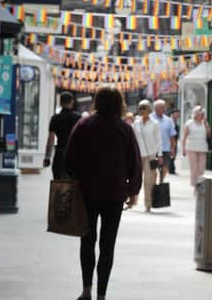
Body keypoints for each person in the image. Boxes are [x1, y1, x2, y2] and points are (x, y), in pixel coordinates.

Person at [64, 85, 141, 300]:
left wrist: (77, 175)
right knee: (108, 245)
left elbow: (69, 160)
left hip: (86, 192)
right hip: (114, 194)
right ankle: (101, 295)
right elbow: (134, 162)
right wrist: (133, 191)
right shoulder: (125, 129)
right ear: (119, 103)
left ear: (97, 101)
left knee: (87, 241)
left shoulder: (84, 124)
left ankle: (86, 289)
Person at [132, 100, 161, 212]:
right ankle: (133, 201)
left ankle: (148, 204)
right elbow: (133, 139)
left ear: (149, 110)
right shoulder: (136, 123)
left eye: (144, 108)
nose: (142, 111)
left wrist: (160, 154)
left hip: (150, 155)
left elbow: (158, 139)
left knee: (148, 181)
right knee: (136, 178)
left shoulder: (154, 123)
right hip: (138, 154)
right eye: (140, 108)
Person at [44, 92, 81, 179]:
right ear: (72, 102)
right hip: (74, 156)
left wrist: (47, 157)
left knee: (58, 185)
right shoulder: (78, 118)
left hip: (60, 155)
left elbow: (51, 139)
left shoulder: (55, 118)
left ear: (60, 102)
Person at [182, 106, 210, 187]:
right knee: (193, 168)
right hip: (191, 147)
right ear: (196, 114)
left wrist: (205, 124)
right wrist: (183, 149)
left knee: (201, 168)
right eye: (201, 114)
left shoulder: (204, 123)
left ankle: (200, 183)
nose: (202, 115)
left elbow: (208, 134)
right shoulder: (189, 123)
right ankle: (194, 185)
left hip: (202, 147)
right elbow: (184, 137)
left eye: (203, 114)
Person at [151, 99, 177, 183]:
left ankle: (161, 181)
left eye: (163, 107)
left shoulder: (168, 120)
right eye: (161, 107)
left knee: (165, 167)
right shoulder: (150, 119)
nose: (163, 109)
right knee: (153, 169)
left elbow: (172, 136)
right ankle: (154, 184)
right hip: (153, 149)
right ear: (155, 108)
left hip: (166, 148)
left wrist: (173, 148)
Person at [168, 108, 181, 175]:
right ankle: (171, 169)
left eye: (178, 114)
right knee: (171, 155)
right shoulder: (170, 121)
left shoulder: (175, 121)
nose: (178, 115)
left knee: (173, 155)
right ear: (172, 114)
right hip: (171, 140)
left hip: (175, 140)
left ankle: (171, 169)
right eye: (177, 114)